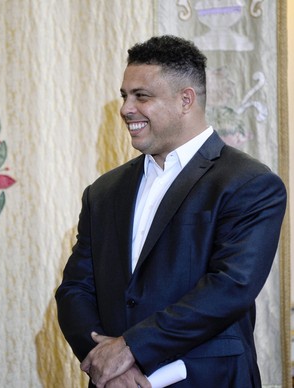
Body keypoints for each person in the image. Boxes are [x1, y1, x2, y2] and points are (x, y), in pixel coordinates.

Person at [55, 35, 287, 388]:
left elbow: (230, 287)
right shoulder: (103, 191)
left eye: (141, 96)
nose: (125, 108)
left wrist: (131, 348)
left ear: (185, 100)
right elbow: (75, 289)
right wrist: (105, 362)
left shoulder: (250, 183)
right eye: (124, 96)